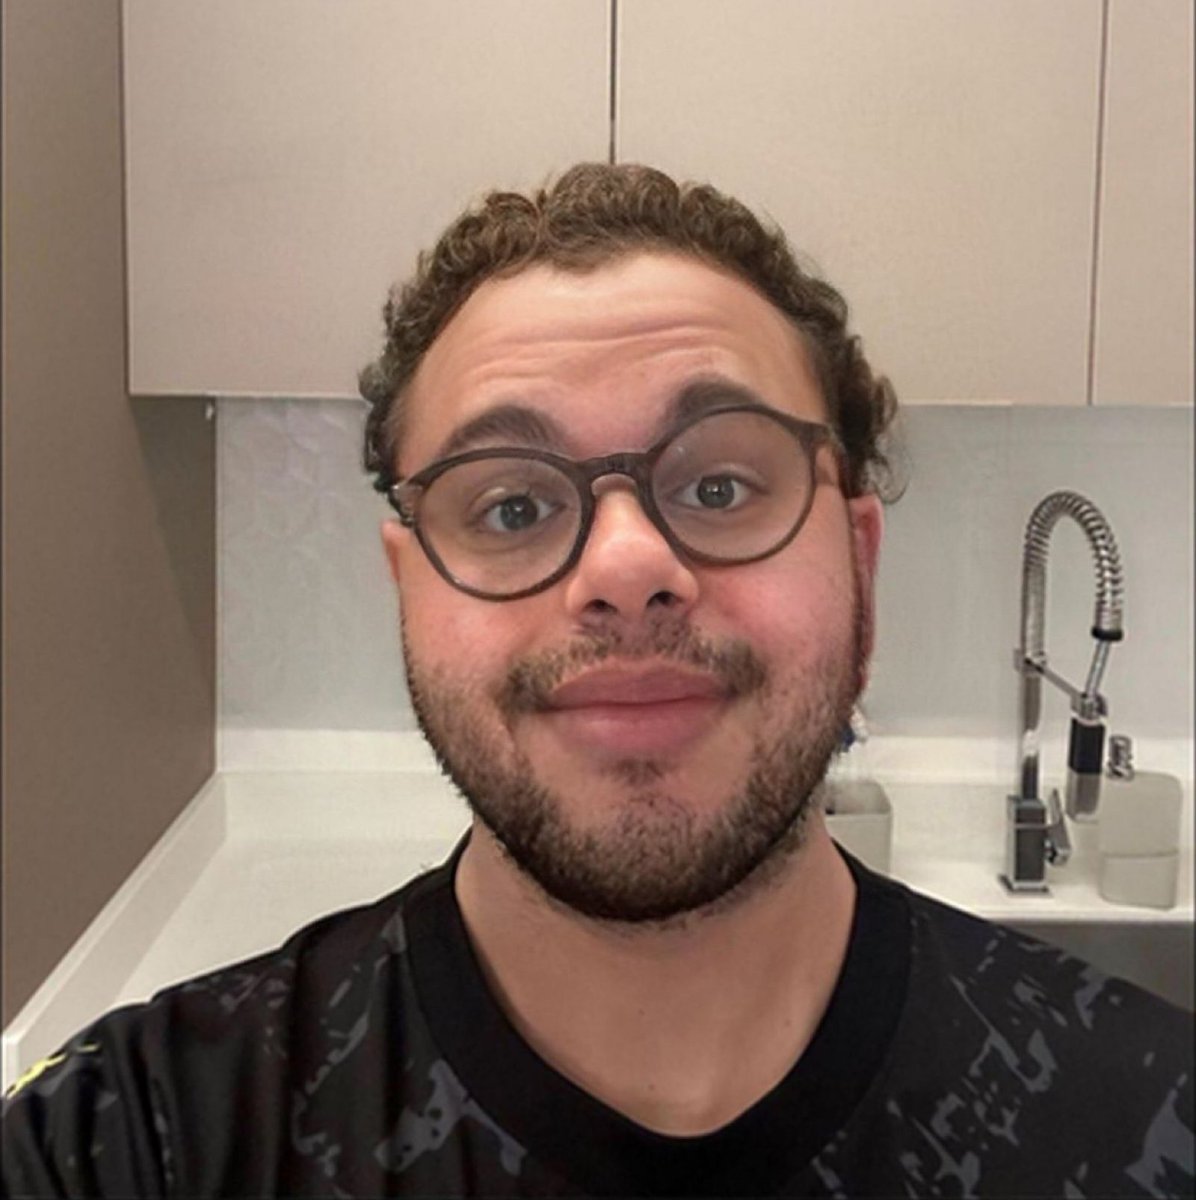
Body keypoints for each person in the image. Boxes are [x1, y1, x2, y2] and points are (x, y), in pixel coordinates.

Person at [2, 163, 1191, 1199]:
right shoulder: (130, 1142)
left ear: (858, 567)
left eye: (719, 486)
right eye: (511, 506)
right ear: (408, 589)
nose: (625, 569)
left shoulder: (1154, 1122)